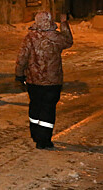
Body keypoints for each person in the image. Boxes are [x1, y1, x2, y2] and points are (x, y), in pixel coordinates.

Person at [15, 11, 73, 150]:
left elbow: (22, 58)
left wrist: (19, 75)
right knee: (48, 109)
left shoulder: (29, 38)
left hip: (33, 81)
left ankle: (35, 134)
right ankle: (44, 140)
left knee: (35, 106)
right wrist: (64, 23)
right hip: (52, 82)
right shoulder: (56, 38)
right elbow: (69, 41)